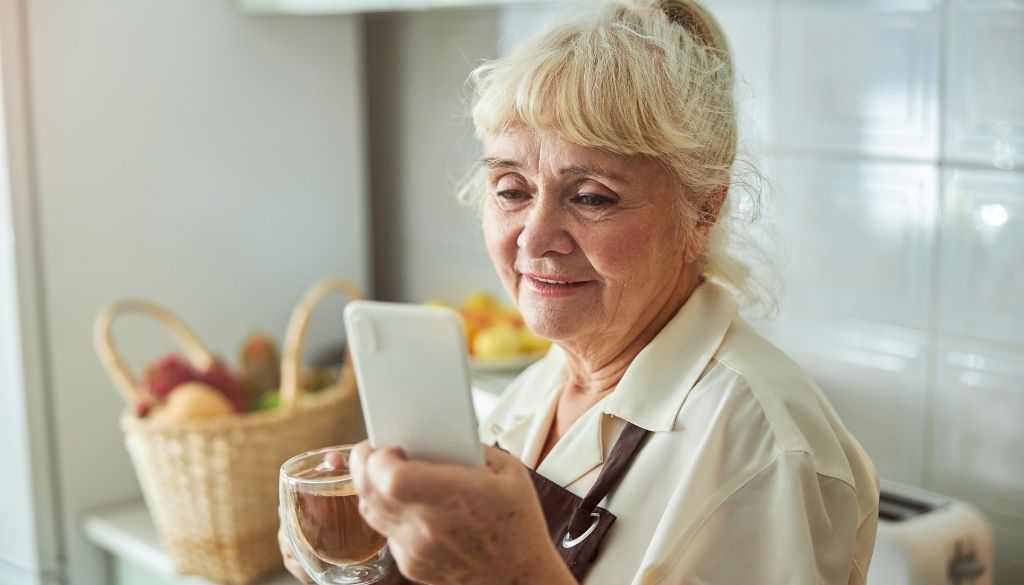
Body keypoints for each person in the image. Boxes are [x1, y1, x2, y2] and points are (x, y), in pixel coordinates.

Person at [282, 0, 879, 583]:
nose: (535, 238)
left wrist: (513, 574)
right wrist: (386, 563)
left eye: (592, 196)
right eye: (512, 190)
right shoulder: (540, 387)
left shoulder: (764, 448)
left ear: (701, 211)